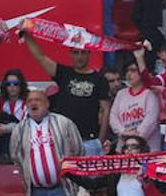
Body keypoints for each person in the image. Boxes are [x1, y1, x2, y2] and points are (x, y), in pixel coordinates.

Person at [19, 23, 110, 155]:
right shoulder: (63, 73)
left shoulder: (99, 78)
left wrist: (100, 141)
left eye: (83, 53)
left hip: (89, 140)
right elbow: (41, 58)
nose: (79, 56)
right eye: (76, 53)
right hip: (62, 139)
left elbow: (106, 110)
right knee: (62, 175)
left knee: (88, 176)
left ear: (89, 54)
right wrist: (28, 35)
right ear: (71, 54)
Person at [9, 90, 84, 196]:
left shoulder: (64, 123)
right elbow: (16, 157)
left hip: (63, 190)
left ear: (47, 104)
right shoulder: (19, 129)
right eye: (30, 101)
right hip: (36, 193)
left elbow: (78, 150)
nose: (33, 103)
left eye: (38, 100)